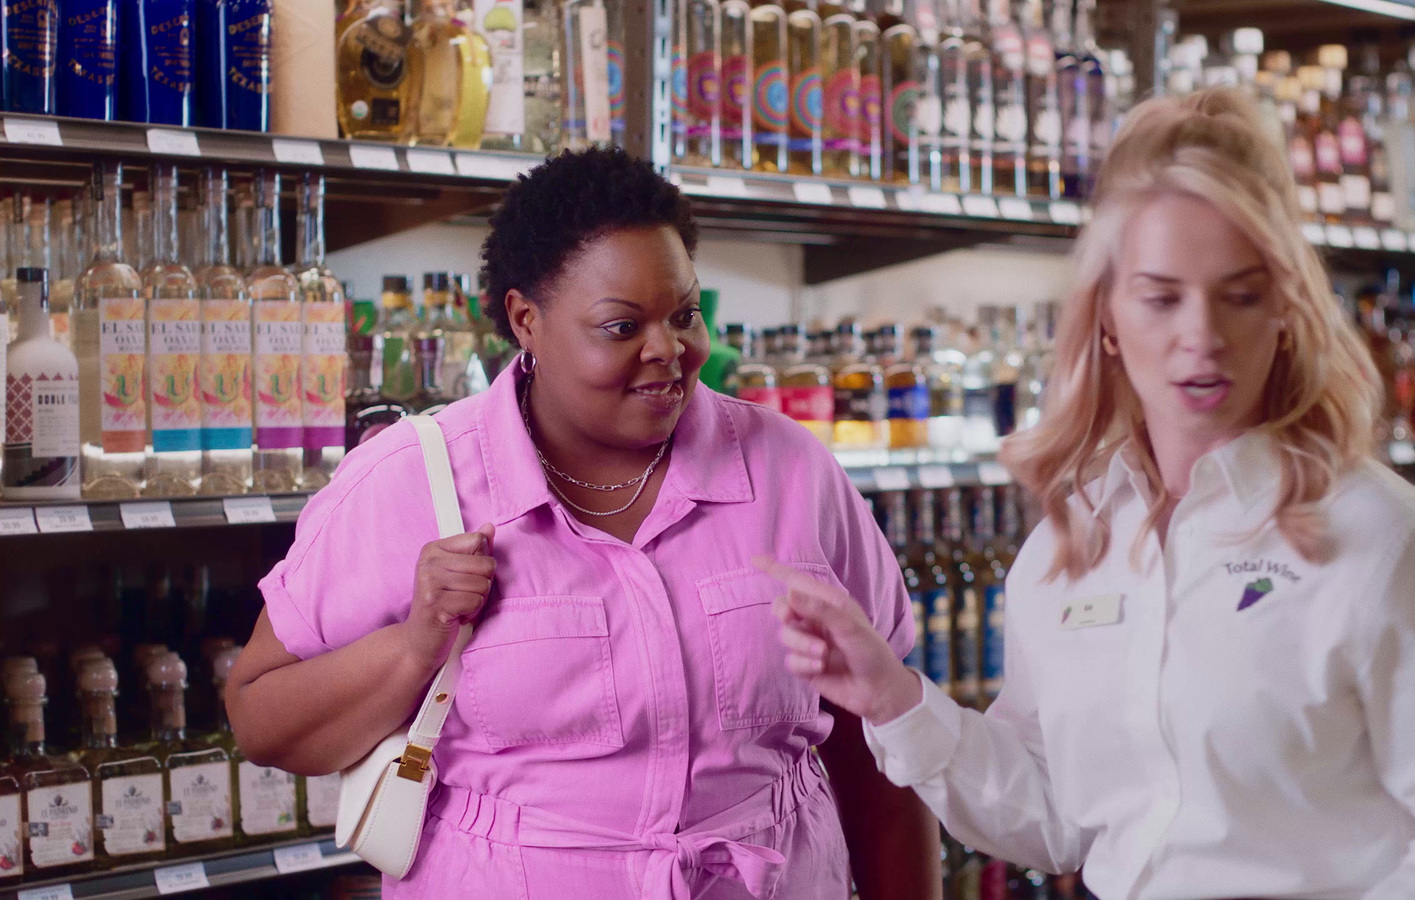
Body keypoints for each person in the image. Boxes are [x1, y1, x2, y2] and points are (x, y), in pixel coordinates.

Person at [760, 88, 1415, 900]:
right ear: (1106, 314)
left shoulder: (1385, 541)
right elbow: (1054, 818)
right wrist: (891, 696)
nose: (1200, 335)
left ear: (1285, 307)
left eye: (1239, 294)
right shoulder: (1071, 550)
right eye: (1162, 296)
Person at [223, 147, 939, 899]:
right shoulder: (415, 480)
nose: (667, 351)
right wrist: (414, 645)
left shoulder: (789, 470)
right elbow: (262, 720)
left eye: (684, 315)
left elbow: (884, 731)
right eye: (622, 326)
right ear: (526, 320)